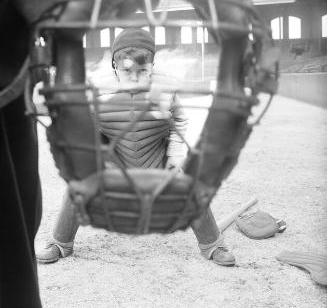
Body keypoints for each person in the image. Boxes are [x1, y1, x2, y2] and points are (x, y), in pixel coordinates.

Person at [0, 0, 138, 306]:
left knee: (13, 249)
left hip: (10, 54)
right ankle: (62, 241)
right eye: (127, 63)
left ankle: (208, 241)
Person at [37, 28, 236, 266]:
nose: (135, 77)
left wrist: (174, 155)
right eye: (127, 71)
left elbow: (180, 120)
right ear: (115, 67)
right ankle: (60, 243)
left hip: (157, 161)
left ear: (152, 66)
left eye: (143, 71)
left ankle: (213, 245)